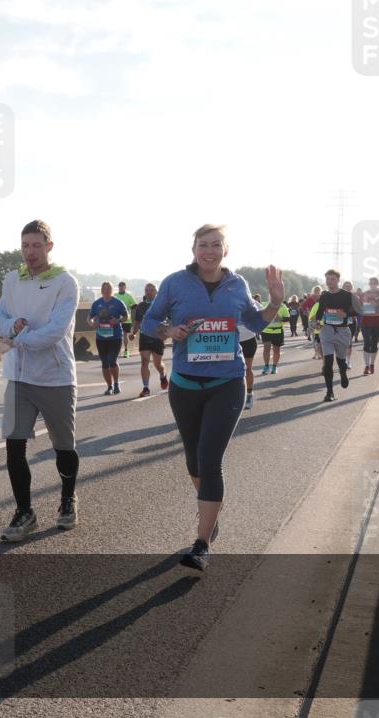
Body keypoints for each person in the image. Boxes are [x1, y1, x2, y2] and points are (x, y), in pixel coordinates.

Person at [141, 224, 284, 571]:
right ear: (193, 250)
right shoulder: (175, 282)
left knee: (210, 458)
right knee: (193, 459)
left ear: (225, 250)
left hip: (227, 383)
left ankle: (201, 543)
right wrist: (169, 330)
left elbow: (254, 321)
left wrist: (277, 301)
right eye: (203, 245)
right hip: (186, 385)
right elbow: (149, 322)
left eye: (215, 245)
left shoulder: (238, 284)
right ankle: (211, 513)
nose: (209, 250)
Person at [0, 220, 80, 541]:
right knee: (14, 445)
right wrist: (12, 324)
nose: (30, 252)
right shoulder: (12, 279)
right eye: (25, 245)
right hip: (18, 376)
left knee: (63, 446)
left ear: (49, 247)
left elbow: (55, 331)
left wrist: (16, 339)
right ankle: (24, 511)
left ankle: (68, 499)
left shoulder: (65, 282)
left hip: (54, 376)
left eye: (36, 245)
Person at [312, 269, 362, 402]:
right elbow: (320, 312)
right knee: (327, 362)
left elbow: (360, 310)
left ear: (338, 280)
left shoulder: (347, 295)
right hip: (327, 330)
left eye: (332, 279)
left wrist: (347, 314)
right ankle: (329, 392)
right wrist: (317, 322)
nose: (329, 282)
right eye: (327, 279)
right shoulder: (324, 296)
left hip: (342, 331)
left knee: (341, 360)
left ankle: (343, 372)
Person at [128, 282, 168, 397]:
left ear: (156, 292)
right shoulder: (141, 306)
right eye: (147, 290)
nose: (149, 292)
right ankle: (146, 388)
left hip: (157, 337)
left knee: (158, 364)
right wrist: (133, 333)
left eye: (151, 290)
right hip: (144, 336)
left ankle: (163, 375)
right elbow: (137, 322)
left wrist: (165, 332)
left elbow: (168, 320)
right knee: (144, 361)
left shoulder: (162, 304)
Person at [89, 282, 129, 395]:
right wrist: (92, 323)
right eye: (104, 288)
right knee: (104, 363)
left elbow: (126, 316)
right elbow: (89, 318)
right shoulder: (97, 303)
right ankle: (109, 386)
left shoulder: (118, 302)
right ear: (101, 290)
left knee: (112, 361)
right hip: (101, 337)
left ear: (112, 290)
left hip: (115, 336)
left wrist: (118, 321)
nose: (106, 290)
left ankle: (116, 383)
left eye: (108, 288)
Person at [358, 278, 379, 375]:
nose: (372, 285)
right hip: (365, 322)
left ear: (377, 284)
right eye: (371, 283)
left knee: (374, 344)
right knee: (367, 342)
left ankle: (372, 364)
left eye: (374, 283)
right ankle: (366, 366)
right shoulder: (364, 294)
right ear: (369, 284)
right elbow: (358, 306)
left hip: (377, 322)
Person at [259, 294, 289, 375]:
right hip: (266, 330)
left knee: (276, 350)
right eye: (272, 297)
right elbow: (259, 315)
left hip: (277, 331)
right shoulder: (264, 305)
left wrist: (281, 319)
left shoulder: (283, 307)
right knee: (266, 349)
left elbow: (288, 318)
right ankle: (266, 366)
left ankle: (274, 366)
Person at [115, 281, 137, 359]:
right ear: (118, 287)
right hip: (116, 319)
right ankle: (116, 351)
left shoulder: (128, 296)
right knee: (116, 335)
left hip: (126, 319)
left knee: (125, 335)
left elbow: (135, 305)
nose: (121, 288)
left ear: (125, 287)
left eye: (122, 286)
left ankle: (126, 351)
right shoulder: (115, 296)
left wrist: (130, 307)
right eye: (120, 286)